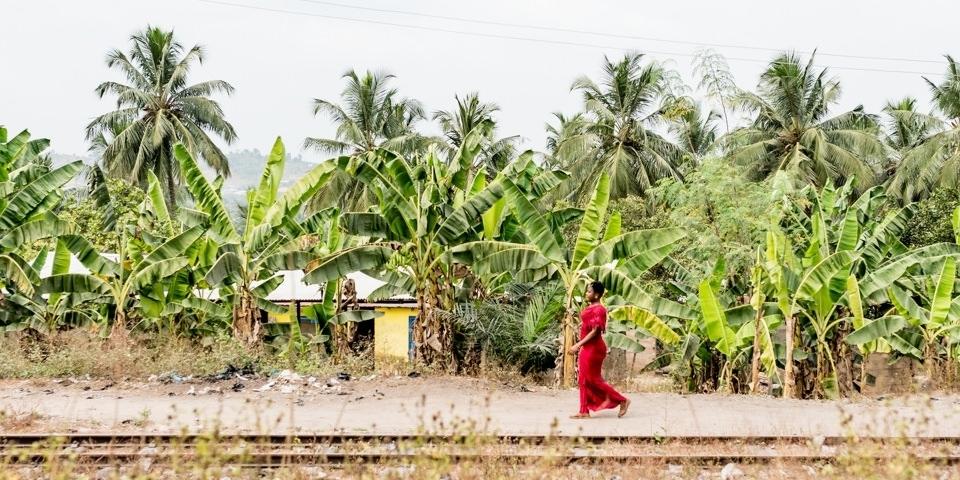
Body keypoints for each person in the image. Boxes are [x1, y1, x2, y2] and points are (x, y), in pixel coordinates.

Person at [568, 281, 630, 419]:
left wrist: (578, 344)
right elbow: (587, 324)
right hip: (587, 347)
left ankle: (622, 400)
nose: (586, 293)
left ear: (596, 295)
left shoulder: (599, 309)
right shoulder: (591, 307)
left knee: (593, 379)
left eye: (589, 292)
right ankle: (583, 411)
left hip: (594, 349)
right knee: (583, 380)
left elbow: (596, 331)